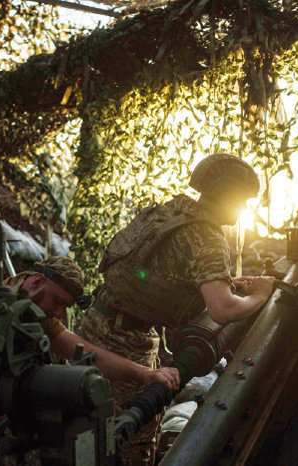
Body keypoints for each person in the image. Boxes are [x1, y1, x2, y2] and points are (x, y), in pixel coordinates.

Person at [0, 256, 180, 465]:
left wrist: (144, 374)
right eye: (59, 301)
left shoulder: (33, 313)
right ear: (36, 282)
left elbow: (82, 350)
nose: (60, 314)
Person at [81, 153, 276, 465]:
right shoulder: (209, 236)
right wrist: (261, 295)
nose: (244, 209)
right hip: (126, 343)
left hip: (98, 322)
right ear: (227, 195)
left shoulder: (174, 210)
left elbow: (166, 269)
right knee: (128, 443)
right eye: (242, 200)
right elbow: (223, 310)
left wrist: (222, 281)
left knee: (86, 429)